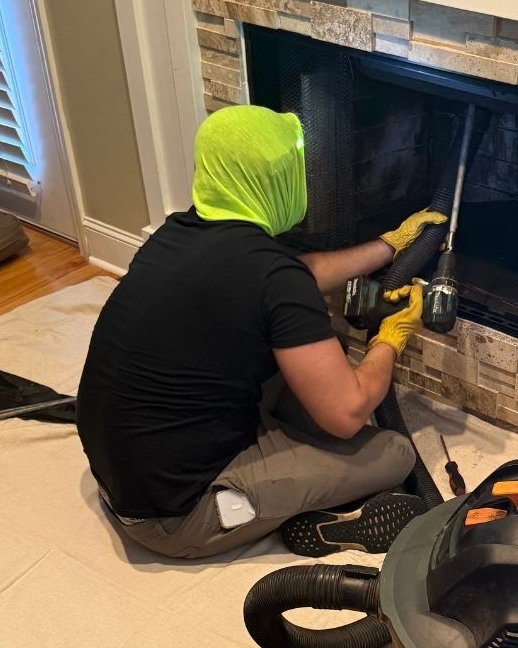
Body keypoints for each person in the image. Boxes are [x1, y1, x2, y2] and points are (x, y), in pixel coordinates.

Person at [76, 105, 444, 559]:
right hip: (176, 517)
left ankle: (283, 467)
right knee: (391, 453)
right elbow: (346, 414)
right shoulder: (274, 279)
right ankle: (300, 519)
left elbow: (297, 274)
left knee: (289, 354)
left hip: (123, 474)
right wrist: (390, 339)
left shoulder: (177, 235)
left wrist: (389, 246)